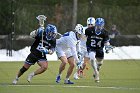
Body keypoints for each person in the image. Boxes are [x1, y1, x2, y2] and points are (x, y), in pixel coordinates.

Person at [85, 18, 112, 83]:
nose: (99, 26)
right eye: (97, 25)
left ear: (103, 25)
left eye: (100, 25)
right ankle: (96, 73)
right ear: (95, 24)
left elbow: (106, 42)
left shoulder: (105, 32)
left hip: (99, 49)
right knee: (92, 58)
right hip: (91, 47)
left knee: (100, 63)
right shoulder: (88, 30)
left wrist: (107, 47)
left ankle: (97, 69)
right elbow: (84, 38)